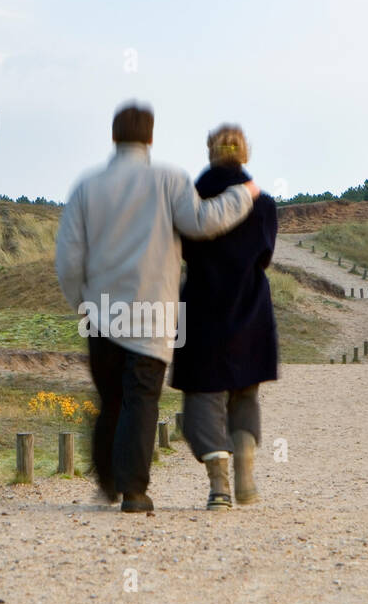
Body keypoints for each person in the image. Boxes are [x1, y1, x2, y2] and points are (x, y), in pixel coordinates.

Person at [56, 103, 260, 513]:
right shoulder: (168, 179)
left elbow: (68, 257)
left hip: (101, 316)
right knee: (141, 400)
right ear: (150, 138)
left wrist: (82, 302)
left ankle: (108, 483)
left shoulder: (86, 185)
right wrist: (243, 194)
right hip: (152, 315)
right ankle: (134, 492)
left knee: (110, 398)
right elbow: (201, 221)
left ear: (114, 136)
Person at [170, 125, 279, 510]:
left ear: (210, 152)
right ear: (244, 153)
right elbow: (264, 256)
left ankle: (219, 486)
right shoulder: (263, 204)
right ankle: (245, 463)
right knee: (245, 390)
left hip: (201, 304)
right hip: (250, 305)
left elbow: (182, 246)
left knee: (203, 395)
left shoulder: (193, 199)